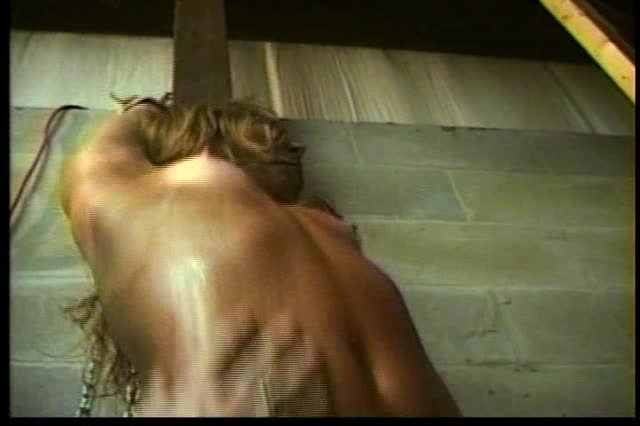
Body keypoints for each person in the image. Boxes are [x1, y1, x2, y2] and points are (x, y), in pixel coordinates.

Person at [61, 95, 461, 416]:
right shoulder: (175, 188)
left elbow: (100, 156)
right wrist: (153, 112)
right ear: (209, 138)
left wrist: (144, 110)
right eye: (265, 131)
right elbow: (96, 160)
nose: (288, 145)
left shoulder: (325, 228)